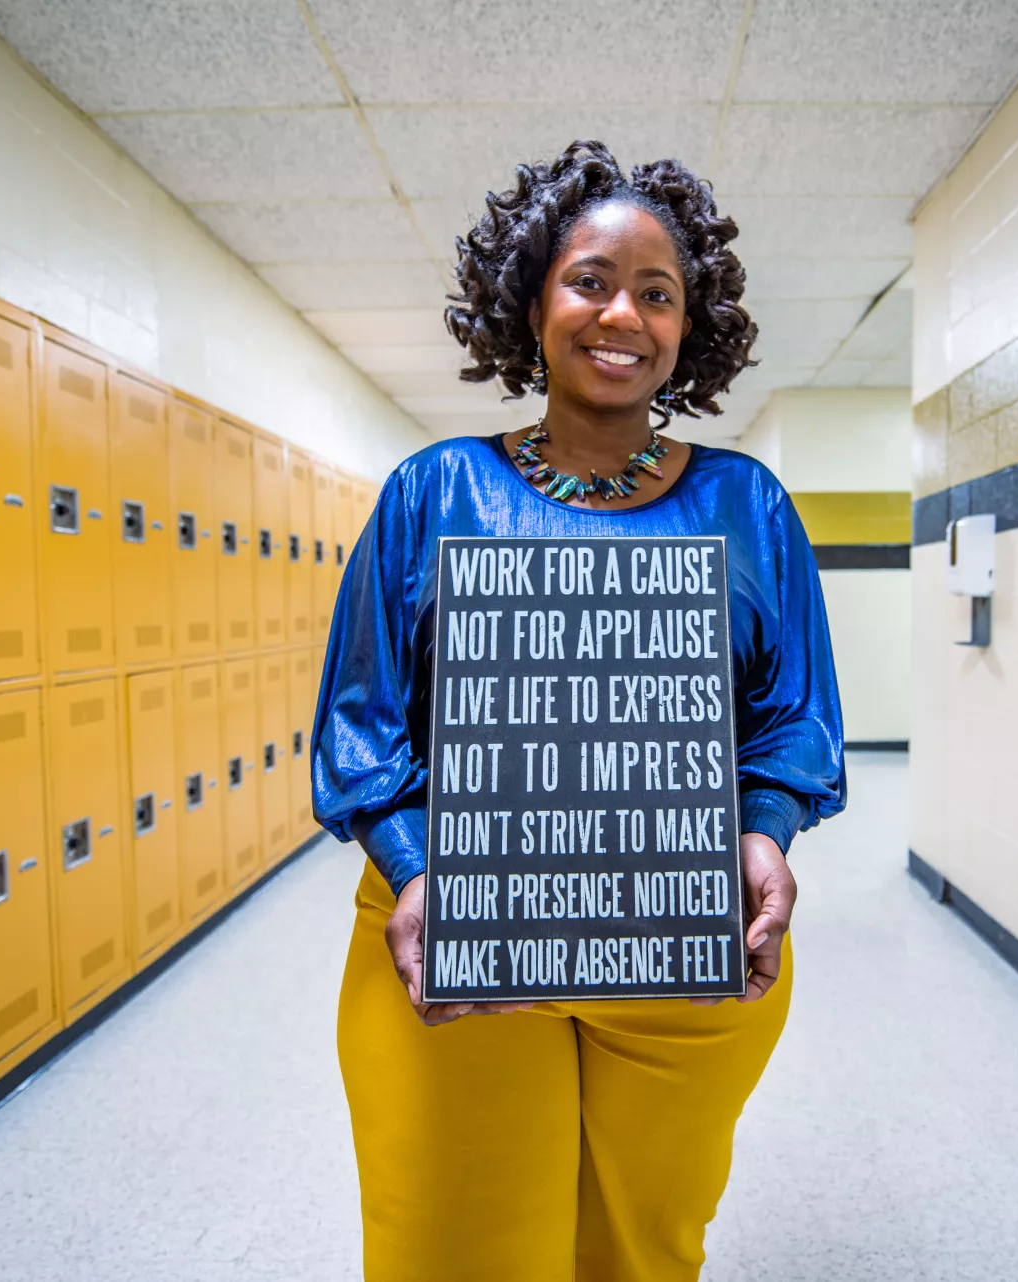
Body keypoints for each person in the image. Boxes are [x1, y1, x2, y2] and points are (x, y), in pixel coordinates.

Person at [311, 139, 846, 1281]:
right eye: (592, 279)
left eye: (659, 293)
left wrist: (766, 833)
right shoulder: (434, 491)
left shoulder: (745, 502)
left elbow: (793, 714)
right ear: (532, 300)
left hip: (683, 947)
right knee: (456, 1243)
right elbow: (363, 719)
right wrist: (411, 868)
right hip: (458, 934)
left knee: (643, 1248)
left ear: (689, 328)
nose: (625, 314)